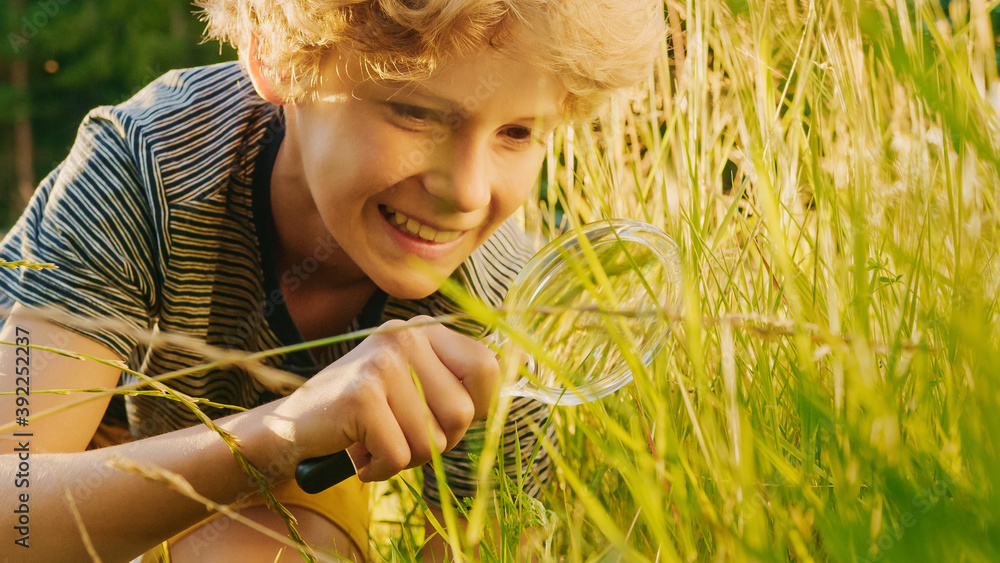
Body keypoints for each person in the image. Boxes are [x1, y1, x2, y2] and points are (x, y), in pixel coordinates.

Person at [0, 1, 663, 560]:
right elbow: (15, 508)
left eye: (517, 131)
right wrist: (281, 432)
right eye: (417, 113)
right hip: (77, 447)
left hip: (275, 496)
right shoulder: (142, 172)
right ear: (277, 60)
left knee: (279, 538)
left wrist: (287, 458)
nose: (466, 191)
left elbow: (479, 543)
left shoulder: (495, 311)